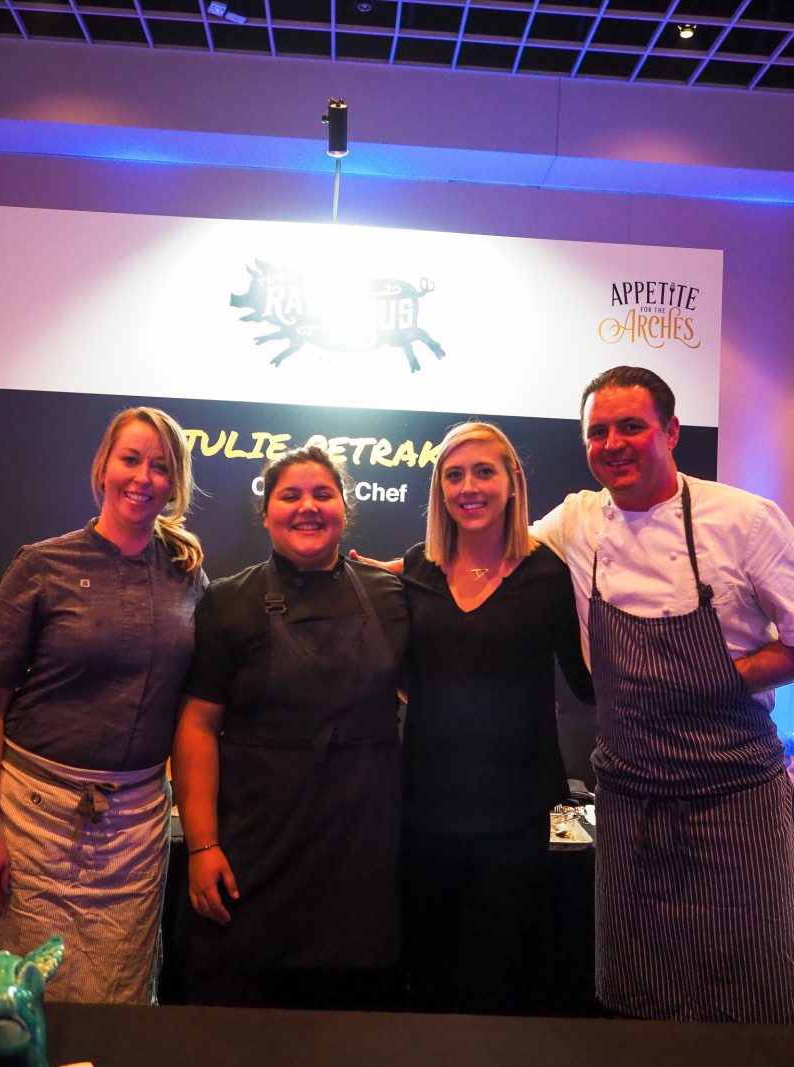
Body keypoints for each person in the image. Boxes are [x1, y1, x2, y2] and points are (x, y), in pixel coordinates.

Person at [531, 365, 794, 1023]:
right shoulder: (577, 519)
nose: (612, 444)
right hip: (629, 799)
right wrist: (396, 574)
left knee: (751, 987)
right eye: (598, 432)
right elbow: (494, 559)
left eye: (631, 427)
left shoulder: (744, 519)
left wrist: (724, 676)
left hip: (736, 795)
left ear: (671, 431)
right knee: (637, 992)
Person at [171, 445, 408, 1009]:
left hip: (361, 853)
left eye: (323, 494)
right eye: (291, 495)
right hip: (258, 846)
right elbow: (197, 726)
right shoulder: (228, 601)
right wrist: (202, 845)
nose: (308, 507)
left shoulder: (392, 596)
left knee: (355, 1025)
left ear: (344, 509)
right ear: (267, 512)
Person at [0, 406, 205, 1004]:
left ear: (175, 482)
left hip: (136, 828)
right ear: (103, 467)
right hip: (33, 817)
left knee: (121, 998)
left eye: (159, 467)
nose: (142, 477)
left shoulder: (188, 574)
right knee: (26, 1000)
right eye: (130, 459)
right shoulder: (41, 565)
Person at [399, 421, 594, 1015]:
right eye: (454, 475)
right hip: (425, 809)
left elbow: (587, 682)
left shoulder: (548, 573)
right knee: (427, 977)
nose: (469, 488)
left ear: (513, 482)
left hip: (514, 816)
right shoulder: (417, 568)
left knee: (501, 983)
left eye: (484, 472)